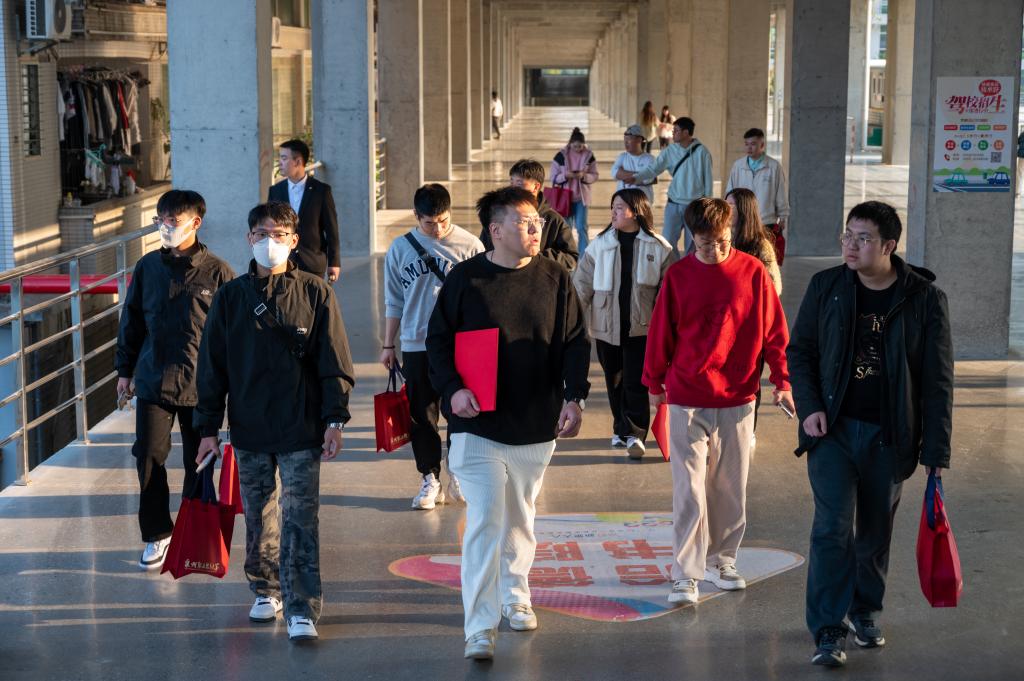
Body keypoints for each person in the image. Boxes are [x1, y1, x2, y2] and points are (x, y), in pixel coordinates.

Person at [426, 187, 590, 661]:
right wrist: (453, 390)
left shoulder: (555, 278)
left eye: (537, 220)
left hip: (536, 422)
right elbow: (438, 342)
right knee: (485, 520)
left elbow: (575, 341)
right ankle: (479, 627)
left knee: (520, 516)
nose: (535, 228)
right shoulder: (466, 279)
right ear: (495, 230)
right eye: (523, 221)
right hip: (476, 424)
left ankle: (516, 594)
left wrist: (574, 397)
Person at [786, 201, 953, 668]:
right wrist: (810, 409)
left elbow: (938, 380)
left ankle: (865, 610)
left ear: (888, 246)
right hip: (833, 432)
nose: (851, 245)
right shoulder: (827, 286)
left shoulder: (923, 299)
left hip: (890, 435)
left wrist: (936, 449)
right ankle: (827, 628)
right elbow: (801, 352)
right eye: (848, 235)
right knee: (831, 529)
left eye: (863, 238)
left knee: (875, 532)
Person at [194, 201, 356, 643]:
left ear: (294, 240)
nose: (271, 242)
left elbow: (334, 361)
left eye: (280, 234)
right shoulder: (231, 297)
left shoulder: (316, 293)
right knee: (258, 514)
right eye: (262, 234)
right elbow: (211, 369)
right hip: (248, 426)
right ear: (249, 238)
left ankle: (302, 606)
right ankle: (266, 589)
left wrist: (335, 419)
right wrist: (208, 430)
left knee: (301, 516)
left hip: (301, 425)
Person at [642, 197, 794, 607]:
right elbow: (660, 333)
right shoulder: (679, 276)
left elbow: (775, 333)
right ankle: (685, 573)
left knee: (729, 487)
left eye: (723, 241)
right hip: (687, 395)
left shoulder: (753, 273)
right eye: (705, 243)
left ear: (732, 232)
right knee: (688, 489)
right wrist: (654, 383)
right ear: (692, 239)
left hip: (738, 396)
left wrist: (782, 381)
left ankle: (722, 561)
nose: (715, 250)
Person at [115, 189, 235, 571]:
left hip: (202, 386)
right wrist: (124, 370)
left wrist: (233, 385)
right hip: (153, 380)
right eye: (160, 220)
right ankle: (157, 533)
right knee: (148, 456)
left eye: (173, 221)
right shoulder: (148, 267)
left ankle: (190, 529)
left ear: (195, 223)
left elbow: (233, 336)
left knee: (198, 461)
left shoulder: (218, 272)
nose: (165, 227)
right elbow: (131, 321)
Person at [381, 184, 484, 510]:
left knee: (460, 413)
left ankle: (458, 474)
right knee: (421, 415)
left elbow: (482, 300)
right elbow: (394, 300)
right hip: (416, 343)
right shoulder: (400, 248)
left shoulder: (470, 245)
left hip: (458, 345)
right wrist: (388, 344)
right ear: (416, 216)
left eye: (443, 220)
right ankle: (430, 478)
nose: (437, 229)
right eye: (429, 223)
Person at [573, 188, 676, 459]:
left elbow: (668, 290)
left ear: (636, 211)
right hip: (606, 327)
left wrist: (664, 324)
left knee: (636, 382)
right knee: (614, 380)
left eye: (619, 208)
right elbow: (581, 285)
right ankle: (620, 429)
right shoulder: (599, 245)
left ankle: (635, 434)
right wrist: (573, 320)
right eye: (613, 207)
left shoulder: (660, 247)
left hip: (642, 328)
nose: (613, 212)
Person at [628, 117, 713, 257]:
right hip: (673, 203)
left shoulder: (702, 152)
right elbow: (654, 169)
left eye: (676, 130)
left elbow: (708, 181)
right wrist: (636, 177)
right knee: (667, 242)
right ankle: (674, 267)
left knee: (693, 245)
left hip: (695, 206)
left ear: (686, 132)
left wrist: (707, 206)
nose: (673, 133)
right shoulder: (670, 151)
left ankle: (689, 269)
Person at [480, 158, 578, 270]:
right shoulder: (499, 216)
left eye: (519, 183)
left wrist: (537, 259)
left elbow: (571, 258)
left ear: (536, 187)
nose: (513, 188)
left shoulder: (553, 220)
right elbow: (482, 250)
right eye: (511, 182)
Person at [269, 139, 341, 282]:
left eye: (284, 158)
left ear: (297, 161)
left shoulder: (321, 191)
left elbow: (331, 230)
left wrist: (334, 262)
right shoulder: (275, 191)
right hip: (282, 262)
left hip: (313, 262)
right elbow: (270, 227)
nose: (279, 163)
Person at [725, 127, 790, 265]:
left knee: (765, 258)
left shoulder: (773, 166)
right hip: (742, 220)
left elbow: (780, 192)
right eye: (746, 144)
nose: (749, 148)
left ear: (762, 145)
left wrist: (783, 215)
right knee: (743, 257)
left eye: (753, 144)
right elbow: (730, 191)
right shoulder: (738, 166)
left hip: (766, 221)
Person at [550, 128, 599, 256]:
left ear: (584, 144)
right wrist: (566, 175)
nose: (578, 149)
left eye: (580, 146)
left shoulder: (589, 156)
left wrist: (584, 176)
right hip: (564, 198)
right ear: (570, 144)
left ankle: (584, 255)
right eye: (575, 146)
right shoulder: (560, 156)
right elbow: (553, 177)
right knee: (566, 228)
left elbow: (595, 175)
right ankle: (567, 253)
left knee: (582, 227)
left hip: (581, 198)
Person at [725, 188, 781, 295]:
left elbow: (774, 287)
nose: (725, 209)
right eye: (725, 204)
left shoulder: (761, 245)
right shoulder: (722, 240)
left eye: (730, 205)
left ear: (744, 209)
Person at [611, 125, 658, 205]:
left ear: (639, 139)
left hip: (642, 203)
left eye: (629, 139)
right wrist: (640, 175)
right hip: (624, 202)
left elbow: (648, 179)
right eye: (625, 139)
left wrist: (623, 173)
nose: (626, 143)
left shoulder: (649, 159)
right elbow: (614, 173)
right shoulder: (622, 157)